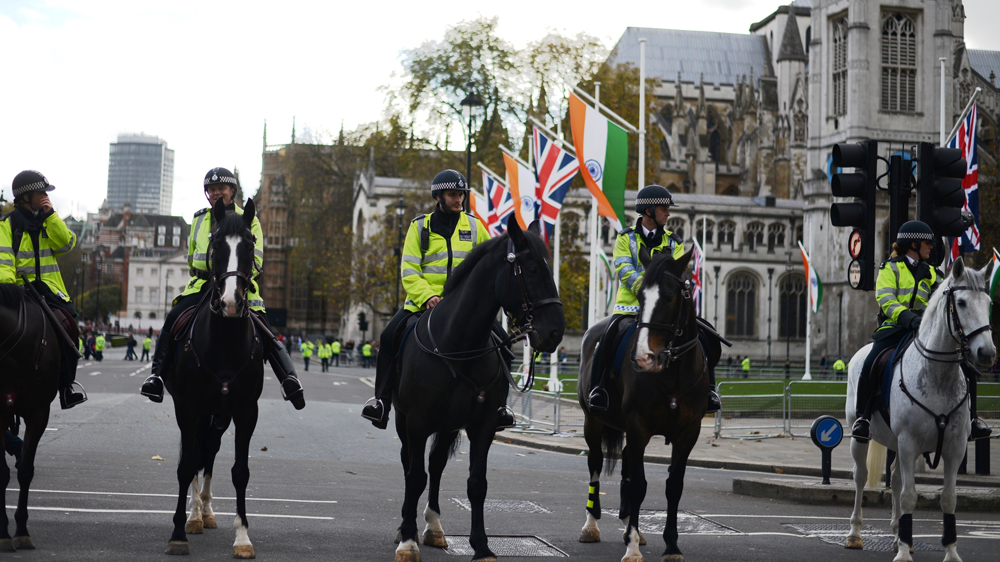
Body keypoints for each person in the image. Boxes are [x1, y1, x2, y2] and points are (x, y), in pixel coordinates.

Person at [139, 168, 304, 410]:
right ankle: (156, 376)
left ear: (232, 191)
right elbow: (192, 257)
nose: (216, 193)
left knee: (265, 331)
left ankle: (289, 380)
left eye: (221, 189)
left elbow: (257, 261)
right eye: (212, 189)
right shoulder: (199, 219)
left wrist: (234, 277)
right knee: (173, 320)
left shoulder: (250, 219)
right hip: (203, 284)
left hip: (238, 285)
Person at [361, 169, 514, 431]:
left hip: (465, 309)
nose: (459, 200)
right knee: (388, 338)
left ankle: (500, 406)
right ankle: (381, 403)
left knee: (505, 345)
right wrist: (428, 295)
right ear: (439, 197)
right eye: (453, 195)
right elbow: (409, 270)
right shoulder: (419, 226)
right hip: (422, 305)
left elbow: (488, 267)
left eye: (461, 195)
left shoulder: (475, 226)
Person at [587, 185, 722, 413]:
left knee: (706, 336)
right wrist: (650, 290)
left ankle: (709, 389)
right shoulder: (625, 239)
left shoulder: (674, 242)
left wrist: (673, 289)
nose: (668, 213)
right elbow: (624, 270)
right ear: (648, 210)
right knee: (607, 339)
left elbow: (680, 271)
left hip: (666, 311)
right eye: (664, 208)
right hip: (630, 307)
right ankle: (598, 389)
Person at [852, 221, 990, 441]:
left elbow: (943, 302)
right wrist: (910, 319)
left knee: (967, 368)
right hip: (895, 328)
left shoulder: (933, 274)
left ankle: (972, 421)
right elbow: (886, 300)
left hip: (925, 331)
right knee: (871, 363)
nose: (931, 248)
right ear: (913, 244)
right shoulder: (890, 268)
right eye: (927, 243)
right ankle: (863, 418)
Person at [0, 171, 87, 409]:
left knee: (69, 327)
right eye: (42, 192)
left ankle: (66, 386)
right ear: (26, 196)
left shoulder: (48, 222)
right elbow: (4, 262)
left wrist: (51, 215)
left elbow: (67, 243)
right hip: (19, 291)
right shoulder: (6, 225)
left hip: (49, 291)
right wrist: (10, 294)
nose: (45, 196)